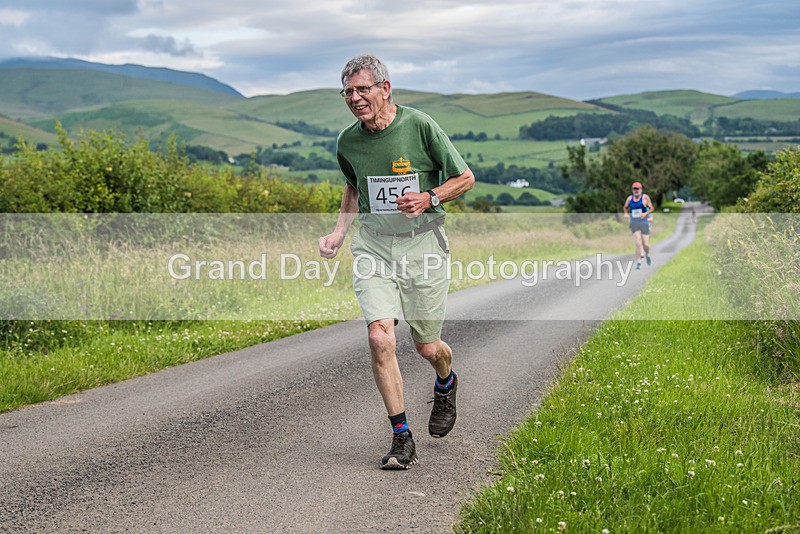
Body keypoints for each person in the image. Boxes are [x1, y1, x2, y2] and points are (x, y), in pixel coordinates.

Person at [319, 54, 475, 469]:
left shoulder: (420, 126)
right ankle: (401, 436)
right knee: (379, 337)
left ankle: (446, 381)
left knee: (427, 346)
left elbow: (465, 177)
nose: (354, 98)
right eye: (348, 92)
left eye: (363, 89)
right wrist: (339, 232)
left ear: (385, 89)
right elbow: (352, 187)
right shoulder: (347, 141)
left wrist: (430, 198)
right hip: (373, 245)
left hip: (423, 243)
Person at [623, 181, 654, 270]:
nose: (636, 190)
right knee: (638, 243)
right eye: (634, 189)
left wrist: (645, 213)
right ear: (632, 190)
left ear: (641, 189)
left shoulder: (645, 197)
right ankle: (639, 262)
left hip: (644, 223)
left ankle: (647, 255)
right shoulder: (629, 199)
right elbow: (625, 207)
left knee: (646, 244)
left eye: (637, 189)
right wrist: (625, 213)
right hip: (634, 223)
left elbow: (652, 208)